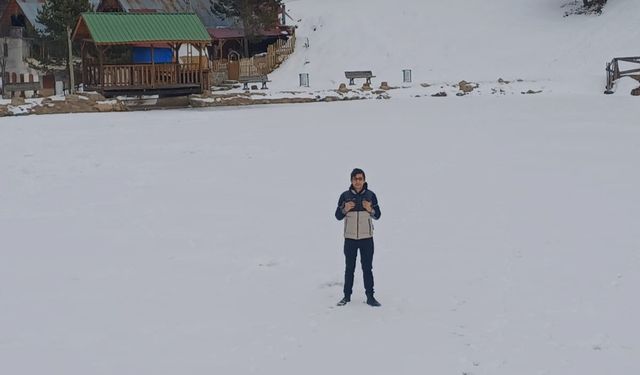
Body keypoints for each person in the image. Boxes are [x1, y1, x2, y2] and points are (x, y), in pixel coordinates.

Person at [334, 168, 382, 307]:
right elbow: (338, 216)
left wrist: (370, 209)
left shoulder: (371, 195)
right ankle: (346, 297)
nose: (358, 181)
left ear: (364, 180)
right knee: (349, 268)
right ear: (351, 180)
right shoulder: (344, 196)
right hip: (350, 239)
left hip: (367, 238)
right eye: (355, 179)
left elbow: (378, 215)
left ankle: (370, 297)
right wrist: (345, 209)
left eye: (360, 179)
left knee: (367, 268)